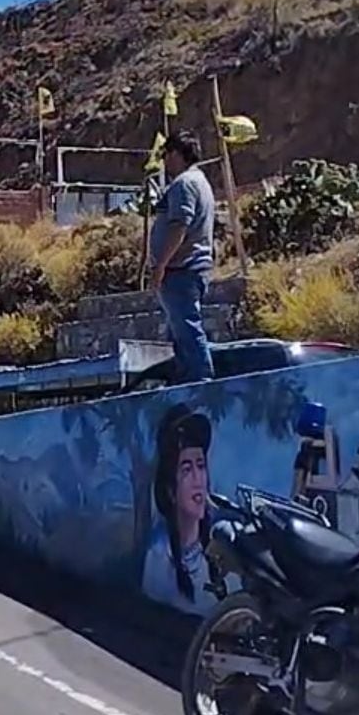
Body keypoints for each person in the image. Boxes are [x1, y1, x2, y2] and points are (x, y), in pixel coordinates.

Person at [149, 130, 217, 385]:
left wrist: (160, 266)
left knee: (187, 329)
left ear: (177, 153)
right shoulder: (200, 181)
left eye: (166, 154)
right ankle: (183, 382)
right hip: (191, 268)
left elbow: (179, 227)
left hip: (181, 269)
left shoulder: (184, 184)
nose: (164, 161)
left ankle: (201, 382)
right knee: (178, 332)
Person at [142, 406, 220, 615]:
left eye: (201, 466)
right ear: (170, 490)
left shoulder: (222, 548)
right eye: (186, 469)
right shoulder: (158, 557)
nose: (197, 479)